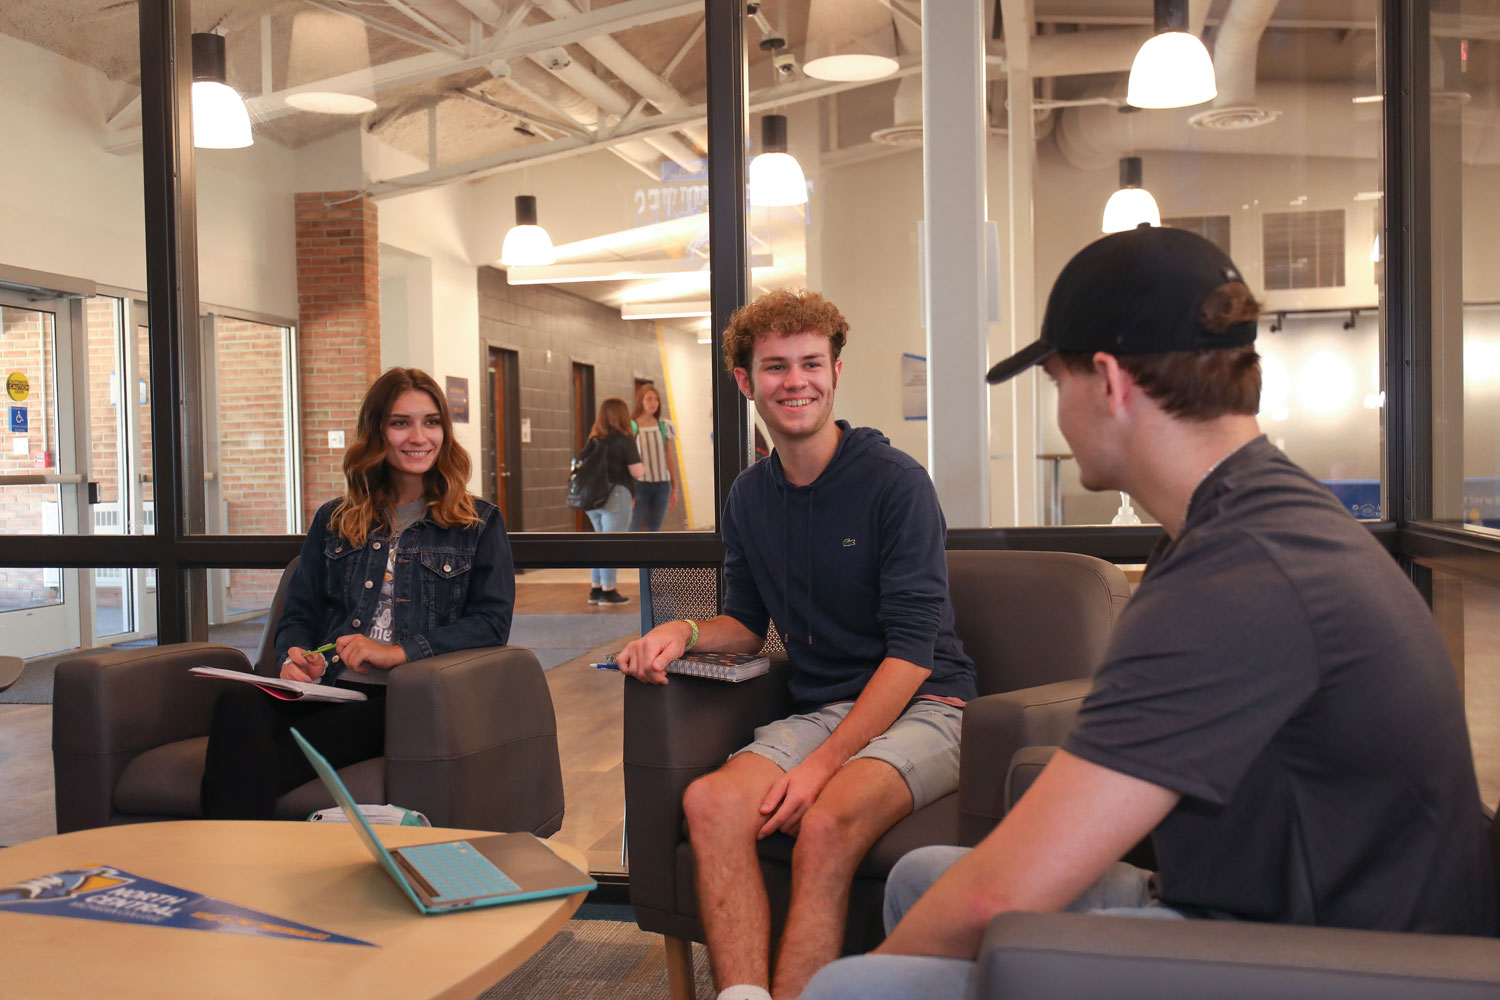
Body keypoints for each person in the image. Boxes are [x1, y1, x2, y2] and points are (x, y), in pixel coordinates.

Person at [800, 227, 1497, 1000]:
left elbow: (994, 899)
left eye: (1055, 382)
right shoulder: (1244, 519)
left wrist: (880, 972)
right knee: (923, 877)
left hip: (1334, 961)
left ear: (1109, 382)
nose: (1058, 411)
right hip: (1265, 906)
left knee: (851, 988)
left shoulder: (1238, 574)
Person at [614, 289, 976, 1000]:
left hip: (929, 703)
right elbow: (745, 623)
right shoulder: (749, 495)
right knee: (711, 806)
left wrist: (822, 768)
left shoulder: (896, 483)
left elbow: (911, 655)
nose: (796, 381)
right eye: (775, 367)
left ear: (836, 373)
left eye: (811, 363)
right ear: (746, 382)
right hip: (828, 706)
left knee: (828, 821)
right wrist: (679, 630)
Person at [200, 367, 514, 820]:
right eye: (400, 422)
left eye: (431, 422)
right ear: (376, 432)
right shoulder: (335, 518)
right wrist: (296, 655)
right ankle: (237, 854)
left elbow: (490, 624)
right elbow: (301, 611)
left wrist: (398, 652)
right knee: (237, 703)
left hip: (409, 701)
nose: (418, 436)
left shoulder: (477, 523)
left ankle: (223, 863)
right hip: (330, 690)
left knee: (251, 758)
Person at [584, 396, 643, 606]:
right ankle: (608, 591)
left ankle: (596, 588)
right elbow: (637, 471)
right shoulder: (625, 440)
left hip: (592, 499)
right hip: (616, 496)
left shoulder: (594, 439)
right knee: (611, 544)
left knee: (599, 542)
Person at [627, 382, 680, 531]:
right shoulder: (632, 426)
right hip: (640, 486)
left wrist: (674, 489)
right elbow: (628, 460)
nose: (653, 403)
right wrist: (629, 491)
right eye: (649, 399)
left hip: (662, 485)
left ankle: (649, 555)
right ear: (641, 402)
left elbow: (670, 458)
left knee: (654, 530)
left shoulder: (664, 425)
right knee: (634, 529)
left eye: (656, 399)